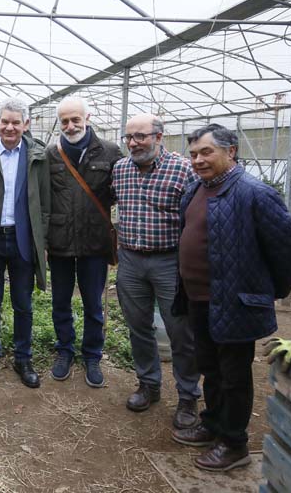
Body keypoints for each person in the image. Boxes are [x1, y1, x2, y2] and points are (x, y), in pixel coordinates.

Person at [172, 124, 291, 472]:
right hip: (199, 298)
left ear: (231, 152)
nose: (198, 160)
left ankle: (233, 443)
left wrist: (264, 293)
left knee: (234, 375)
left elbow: (286, 251)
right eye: (193, 154)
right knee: (210, 368)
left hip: (234, 302)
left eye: (206, 152)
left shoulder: (254, 193)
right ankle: (213, 423)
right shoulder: (196, 189)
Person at [111, 113, 201, 428]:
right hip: (130, 260)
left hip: (169, 261)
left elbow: (197, 217)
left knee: (180, 331)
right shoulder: (121, 169)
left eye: (141, 136)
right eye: (129, 137)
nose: (133, 143)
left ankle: (188, 396)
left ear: (159, 137)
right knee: (138, 327)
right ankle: (149, 384)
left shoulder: (183, 170)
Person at [46, 95, 122, 387]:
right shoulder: (51, 154)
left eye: (75, 119)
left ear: (87, 118)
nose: (70, 126)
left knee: (93, 302)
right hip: (61, 241)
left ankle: (92, 355)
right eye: (64, 121)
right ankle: (64, 350)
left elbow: (121, 191)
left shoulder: (110, 152)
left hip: (94, 240)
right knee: (60, 301)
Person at [0, 98, 49, 388]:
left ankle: (23, 358)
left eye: (16, 122)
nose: (9, 127)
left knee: (23, 303)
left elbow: (44, 202)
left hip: (22, 238)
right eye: (5, 121)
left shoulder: (37, 154)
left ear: (25, 125)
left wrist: (42, 239)